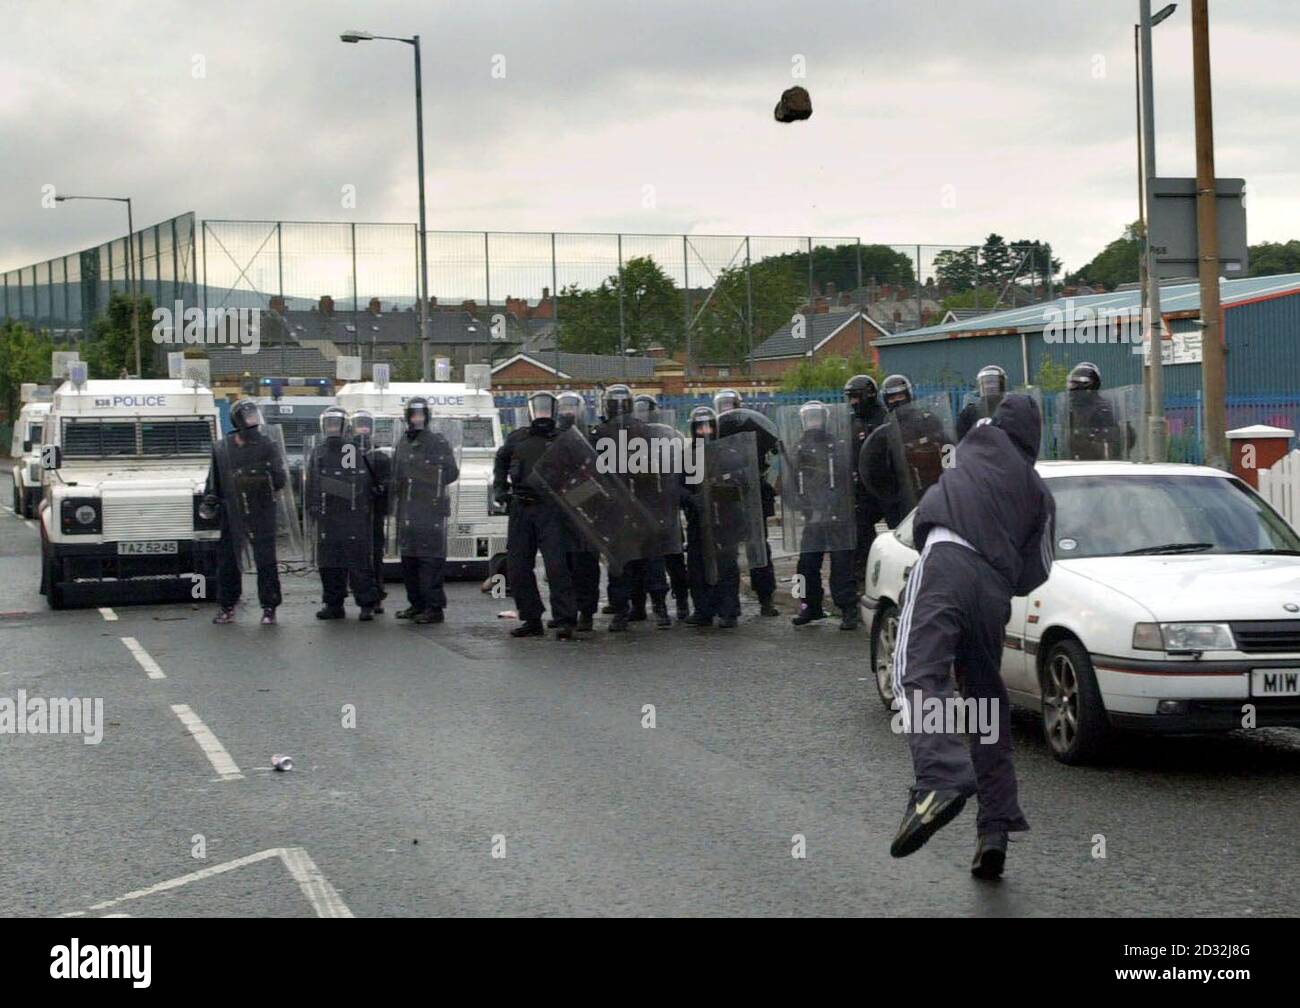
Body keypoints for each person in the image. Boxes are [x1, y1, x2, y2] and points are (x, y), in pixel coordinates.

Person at [888, 393, 1055, 881]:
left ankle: (939, 777)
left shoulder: (972, 444)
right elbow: (1039, 568)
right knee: (985, 700)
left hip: (947, 561)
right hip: (994, 590)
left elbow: (924, 511)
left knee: (914, 671)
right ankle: (994, 828)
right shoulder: (1038, 491)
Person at [494, 391, 577, 640]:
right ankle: (531, 617)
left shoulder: (564, 439)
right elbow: (501, 460)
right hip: (521, 506)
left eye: (545, 409)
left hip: (552, 507)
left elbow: (582, 469)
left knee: (556, 566)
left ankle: (565, 620)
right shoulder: (518, 437)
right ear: (530, 411)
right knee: (518, 565)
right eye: (538, 409)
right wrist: (500, 488)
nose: (541, 414)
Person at [593, 384, 670, 630]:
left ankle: (628, 611)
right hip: (636, 504)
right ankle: (652, 610)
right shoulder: (642, 431)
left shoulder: (602, 433)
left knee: (629, 562)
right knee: (644, 561)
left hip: (631, 504)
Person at [206, 398, 288, 625]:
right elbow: (214, 480)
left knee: (266, 561)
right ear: (238, 420)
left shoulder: (267, 444)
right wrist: (210, 499)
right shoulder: (223, 447)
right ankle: (227, 606)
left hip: (261, 510)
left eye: (254, 415)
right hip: (233, 512)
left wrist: (251, 476)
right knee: (228, 561)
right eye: (248, 416)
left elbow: (279, 479)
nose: (253, 421)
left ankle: (269, 607)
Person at [787, 401, 858, 629]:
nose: (813, 423)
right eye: (810, 419)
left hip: (837, 516)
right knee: (806, 565)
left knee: (841, 565)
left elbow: (845, 479)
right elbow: (791, 485)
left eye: (817, 418)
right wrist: (801, 504)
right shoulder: (798, 449)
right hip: (813, 517)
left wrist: (836, 503)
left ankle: (848, 609)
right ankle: (809, 607)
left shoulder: (836, 446)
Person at [305, 406, 380, 621]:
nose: (331, 429)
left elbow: (355, 481)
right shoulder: (319, 451)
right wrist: (312, 505)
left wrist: (332, 487)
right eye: (328, 424)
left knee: (358, 563)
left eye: (335, 424)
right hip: (327, 516)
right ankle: (333, 603)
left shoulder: (350, 450)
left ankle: (366, 603)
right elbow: (311, 482)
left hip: (351, 515)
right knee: (329, 564)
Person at [391, 396, 460, 624]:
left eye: (420, 415)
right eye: (413, 415)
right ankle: (416, 603)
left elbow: (450, 472)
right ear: (407, 417)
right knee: (409, 560)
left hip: (429, 508)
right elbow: (397, 473)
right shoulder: (402, 442)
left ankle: (434, 607)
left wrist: (422, 476)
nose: (417, 419)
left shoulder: (436, 442)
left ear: (427, 417)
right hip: (407, 509)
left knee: (430, 560)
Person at [714, 389, 779, 616]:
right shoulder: (714, 427)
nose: (726, 408)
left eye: (729, 404)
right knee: (728, 549)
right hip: (727, 495)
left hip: (753, 492)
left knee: (758, 546)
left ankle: (765, 597)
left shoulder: (753, 423)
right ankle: (729, 603)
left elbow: (775, 446)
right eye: (723, 404)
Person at [859, 374, 952, 528]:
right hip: (900, 495)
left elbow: (948, 447)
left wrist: (949, 474)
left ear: (909, 395)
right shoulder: (884, 430)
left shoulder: (928, 421)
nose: (896, 401)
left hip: (929, 489)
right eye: (892, 398)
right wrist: (887, 495)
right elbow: (874, 464)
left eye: (900, 396)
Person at [681, 406, 744, 628]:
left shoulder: (729, 453)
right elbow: (676, 487)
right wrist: (691, 499)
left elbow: (742, 484)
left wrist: (722, 491)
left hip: (724, 519)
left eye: (708, 426)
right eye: (700, 427)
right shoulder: (687, 456)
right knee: (697, 566)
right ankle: (703, 610)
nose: (705, 431)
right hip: (698, 519)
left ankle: (729, 611)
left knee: (726, 566)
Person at [843, 374, 889, 617]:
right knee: (861, 533)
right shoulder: (852, 422)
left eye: (856, 397)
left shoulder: (884, 419)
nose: (853, 402)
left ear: (869, 395)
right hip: (862, 488)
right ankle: (865, 576)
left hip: (887, 487)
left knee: (898, 530)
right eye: (850, 398)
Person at [554, 391, 600, 632]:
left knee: (585, 564)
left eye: (572, 408)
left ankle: (586, 611)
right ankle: (566, 610)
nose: (568, 413)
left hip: (585, 509)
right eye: (564, 408)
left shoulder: (591, 438)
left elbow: (600, 475)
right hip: (559, 509)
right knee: (562, 564)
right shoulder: (553, 438)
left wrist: (576, 497)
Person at [348, 409, 391, 614]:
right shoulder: (348, 454)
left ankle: (377, 596)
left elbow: (390, 483)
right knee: (359, 557)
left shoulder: (379, 455)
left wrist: (381, 489)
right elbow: (342, 480)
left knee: (375, 556)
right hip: (355, 514)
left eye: (366, 425)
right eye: (360, 425)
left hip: (374, 512)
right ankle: (366, 596)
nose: (363, 429)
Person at [1061, 361, 1123, 460]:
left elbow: (1108, 442)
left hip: (1096, 465)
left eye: (1074, 384)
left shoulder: (1101, 409)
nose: (1071, 389)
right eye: (1071, 384)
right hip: (1076, 462)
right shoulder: (1074, 408)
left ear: (1086, 384)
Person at [956, 364, 1008, 442]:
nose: (990, 386)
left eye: (994, 382)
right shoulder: (970, 412)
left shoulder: (1011, 408)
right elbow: (961, 438)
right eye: (987, 382)